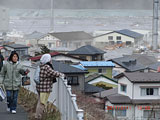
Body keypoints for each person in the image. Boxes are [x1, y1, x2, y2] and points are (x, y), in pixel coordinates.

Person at [35, 54, 64, 119]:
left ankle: (37, 116)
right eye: (50, 58)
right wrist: (62, 75)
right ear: (47, 59)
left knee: (40, 101)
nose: (51, 60)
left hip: (40, 87)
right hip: (44, 89)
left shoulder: (41, 66)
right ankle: (39, 117)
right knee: (42, 103)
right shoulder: (46, 67)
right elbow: (53, 73)